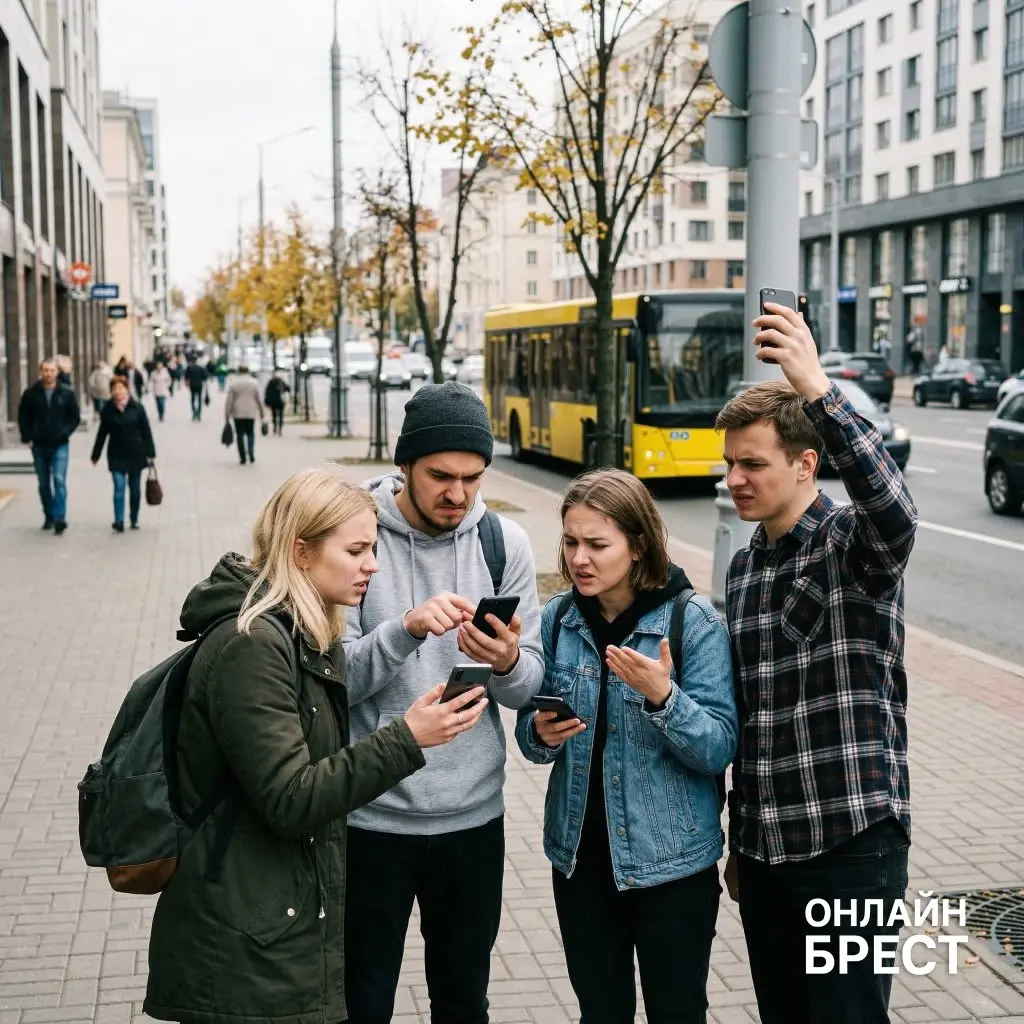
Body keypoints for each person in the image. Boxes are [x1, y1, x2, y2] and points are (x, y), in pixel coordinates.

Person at [143, 467, 490, 1024]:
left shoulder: (300, 632)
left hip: (269, 918)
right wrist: (408, 737)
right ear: (301, 552)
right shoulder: (252, 646)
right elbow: (292, 797)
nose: (372, 565)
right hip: (240, 938)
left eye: (372, 548)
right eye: (356, 551)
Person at [715, 301, 918, 1024]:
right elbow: (749, 719)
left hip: (851, 845)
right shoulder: (742, 571)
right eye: (730, 463)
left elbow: (895, 512)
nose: (736, 478)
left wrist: (818, 392)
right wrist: (742, 841)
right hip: (768, 855)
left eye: (753, 463)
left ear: (806, 464)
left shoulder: (851, 548)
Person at [342, 382, 545, 1024]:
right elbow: (332, 682)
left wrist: (507, 660)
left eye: (473, 478)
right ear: (405, 465)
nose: (458, 494)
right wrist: (405, 630)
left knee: (462, 1001)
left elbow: (529, 687)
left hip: (472, 822)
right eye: (440, 476)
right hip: (369, 821)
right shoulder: (354, 537)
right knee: (360, 998)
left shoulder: (502, 544)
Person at [515, 469, 736, 1024]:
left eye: (596, 544)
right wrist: (539, 734)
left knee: (677, 1012)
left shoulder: (692, 623)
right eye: (570, 542)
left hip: (672, 868)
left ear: (638, 547)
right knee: (601, 1012)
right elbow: (530, 734)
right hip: (580, 863)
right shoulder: (559, 621)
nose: (579, 559)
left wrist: (665, 698)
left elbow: (718, 748)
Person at [17, 358, 81, 534]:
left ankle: (60, 517)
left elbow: (74, 417)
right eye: (45, 370)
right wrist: (27, 437)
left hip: (60, 444)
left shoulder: (66, 393)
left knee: (59, 479)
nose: (49, 374)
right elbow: (23, 417)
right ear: (40, 372)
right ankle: (49, 515)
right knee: (44, 483)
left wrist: (64, 432)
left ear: (57, 372)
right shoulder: (31, 393)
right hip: (39, 445)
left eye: (52, 370)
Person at [91, 375, 157, 533]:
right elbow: (102, 433)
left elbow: (146, 431)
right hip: (116, 455)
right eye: (114, 388)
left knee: (134, 489)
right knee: (119, 487)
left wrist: (151, 452)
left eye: (121, 388)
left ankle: (134, 518)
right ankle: (119, 520)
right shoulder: (108, 409)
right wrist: (96, 454)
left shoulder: (137, 407)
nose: (118, 391)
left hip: (136, 453)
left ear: (127, 389)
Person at [224, 364, 265, 465]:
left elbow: (229, 401)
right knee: (250, 433)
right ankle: (251, 452)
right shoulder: (254, 383)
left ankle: (242, 457)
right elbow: (259, 399)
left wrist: (227, 415)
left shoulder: (234, 383)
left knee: (240, 434)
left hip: (238, 413)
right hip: (251, 412)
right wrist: (262, 412)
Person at [264, 371, 290, 436]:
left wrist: (267, 402)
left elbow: (267, 392)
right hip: (280, 401)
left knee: (274, 415)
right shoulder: (281, 382)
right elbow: (288, 389)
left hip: (273, 402)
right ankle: (280, 429)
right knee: (281, 415)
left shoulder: (271, 382)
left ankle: (275, 428)